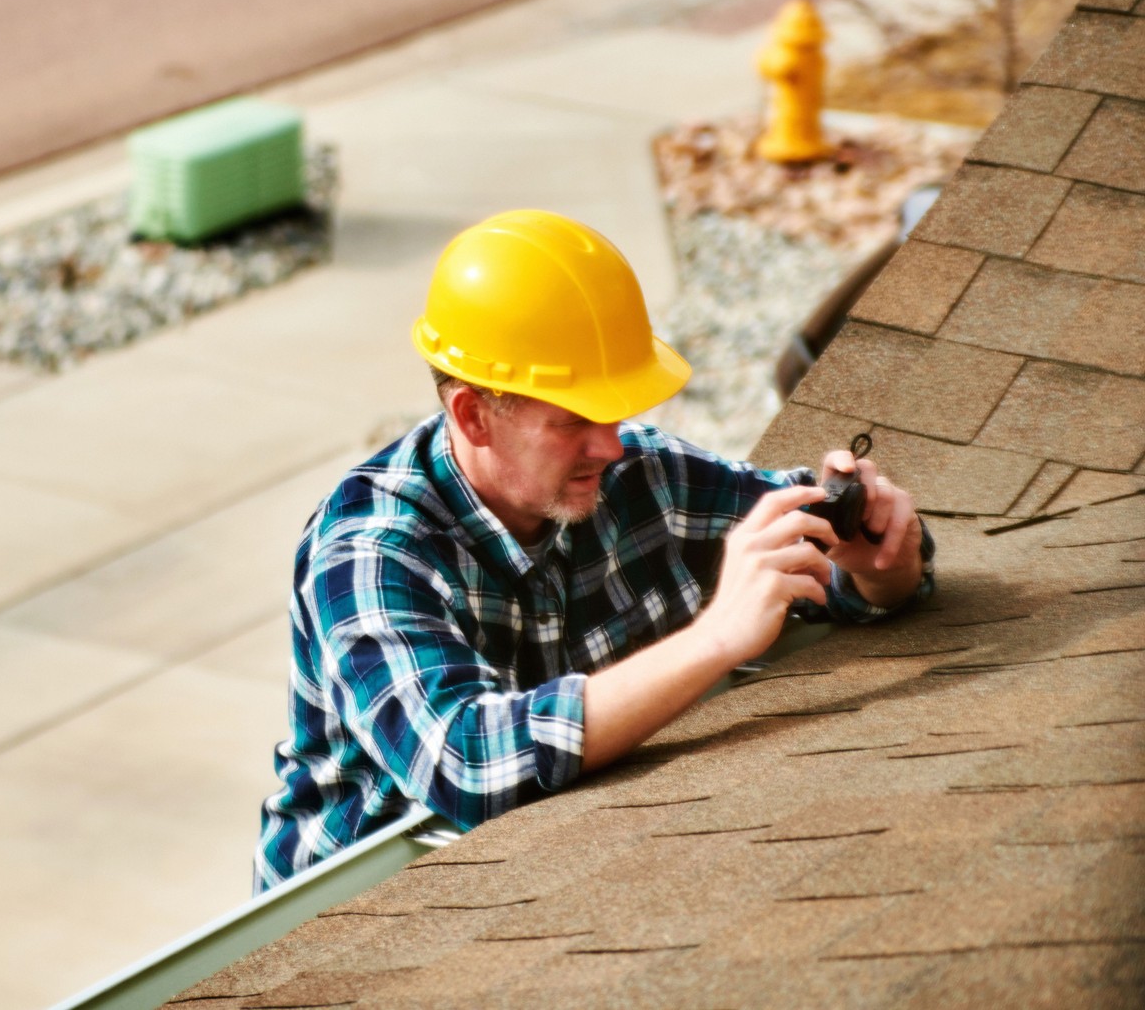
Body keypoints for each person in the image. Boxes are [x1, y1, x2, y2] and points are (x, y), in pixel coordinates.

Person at [253, 210, 932, 893]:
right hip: (350, 919)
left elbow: (820, 544)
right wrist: (718, 637)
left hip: (551, 870)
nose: (610, 444)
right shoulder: (368, 553)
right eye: (574, 419)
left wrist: (878, 564)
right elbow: (467, 762)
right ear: (472, 415)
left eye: (613, 409)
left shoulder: (636, 474)